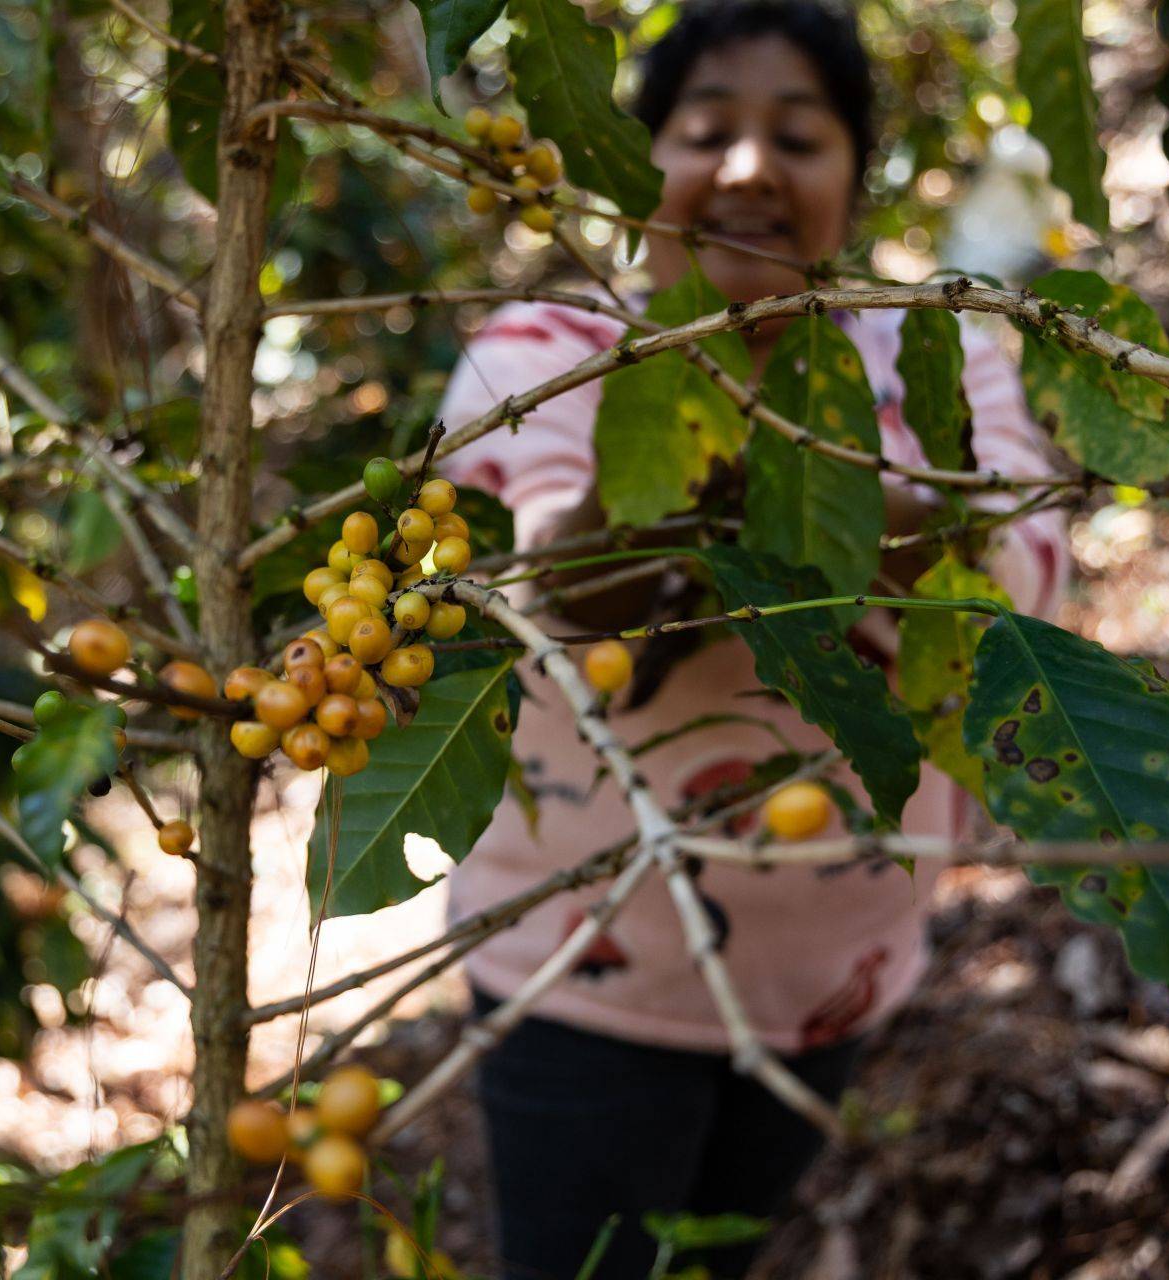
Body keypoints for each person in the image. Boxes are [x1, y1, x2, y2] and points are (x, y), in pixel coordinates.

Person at [431, 3, 1072, 1277]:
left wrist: (801, 480)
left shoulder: (934, 354)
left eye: (798, 138)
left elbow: (1017, 571)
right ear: (638, 170)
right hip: (579, 964)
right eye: (706, 132)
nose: (747, 170)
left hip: (833, 970)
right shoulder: (550, 352)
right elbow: (545, 574)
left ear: (857, 178)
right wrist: (688, 470)